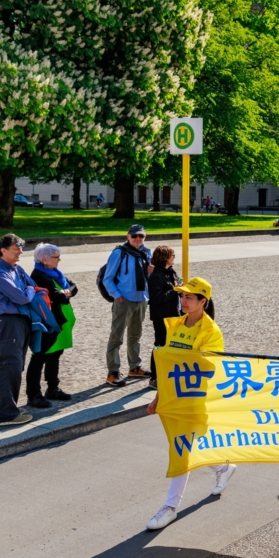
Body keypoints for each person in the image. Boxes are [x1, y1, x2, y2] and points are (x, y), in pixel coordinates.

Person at [145, 276, 235, 531]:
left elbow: (210, 369)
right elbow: (168, 368)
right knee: (185, 446)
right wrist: (157, 398)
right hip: (173, 397)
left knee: (180, 450)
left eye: (189, 297)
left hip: (194, 399)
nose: (183, 300)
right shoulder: (176, 324)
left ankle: (170, 507)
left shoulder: (211, 332)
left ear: (203, 301)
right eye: (182, 296)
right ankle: (223, 467)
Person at [0, 234, 38, 426]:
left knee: (13, 365)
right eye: (16, 249)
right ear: (3, 250)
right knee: (11, 366)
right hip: (8, 322)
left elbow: (31, 285)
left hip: (20, 321)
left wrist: (29, 291)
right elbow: (23, 297)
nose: (20, 252)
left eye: (21, 248)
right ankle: (7, 414)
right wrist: (30, 292)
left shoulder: (16, 268)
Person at [25, 243, 78, 407]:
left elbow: (74, 287)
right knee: (39, 357)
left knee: (55, 354)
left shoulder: (55, 273)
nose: (59, 260)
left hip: (59, 321)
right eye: (56, 257)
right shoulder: (39, 275)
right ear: (45, 259)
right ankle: (33, 395)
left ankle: (52, 388)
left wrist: (66, 292)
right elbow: (58, 297)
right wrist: (66, 293)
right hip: (47, 322)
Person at [103, 225, 152, 387]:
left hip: (141, 299)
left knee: (135, 335)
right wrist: (117, 296)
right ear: (128, 236)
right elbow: (107, 278)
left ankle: (134, 367)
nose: (138, 239)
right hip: (124, 300)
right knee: (116, 336)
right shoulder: (119, 253)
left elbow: (148, 277)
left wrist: (151, 271)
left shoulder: (146, 253)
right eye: (134, 236)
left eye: (141, 236)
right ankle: (113, 371)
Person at [147, 245, 181, 387]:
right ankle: (155, 377)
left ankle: (168, 374)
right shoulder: (155, 276)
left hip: (174, 315)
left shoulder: (171, 272)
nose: (174, 258)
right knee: (160, 346)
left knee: (172, 346)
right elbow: (158, 298)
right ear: (165, 258)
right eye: (172, 255)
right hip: (161, 317)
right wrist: (175, 290)